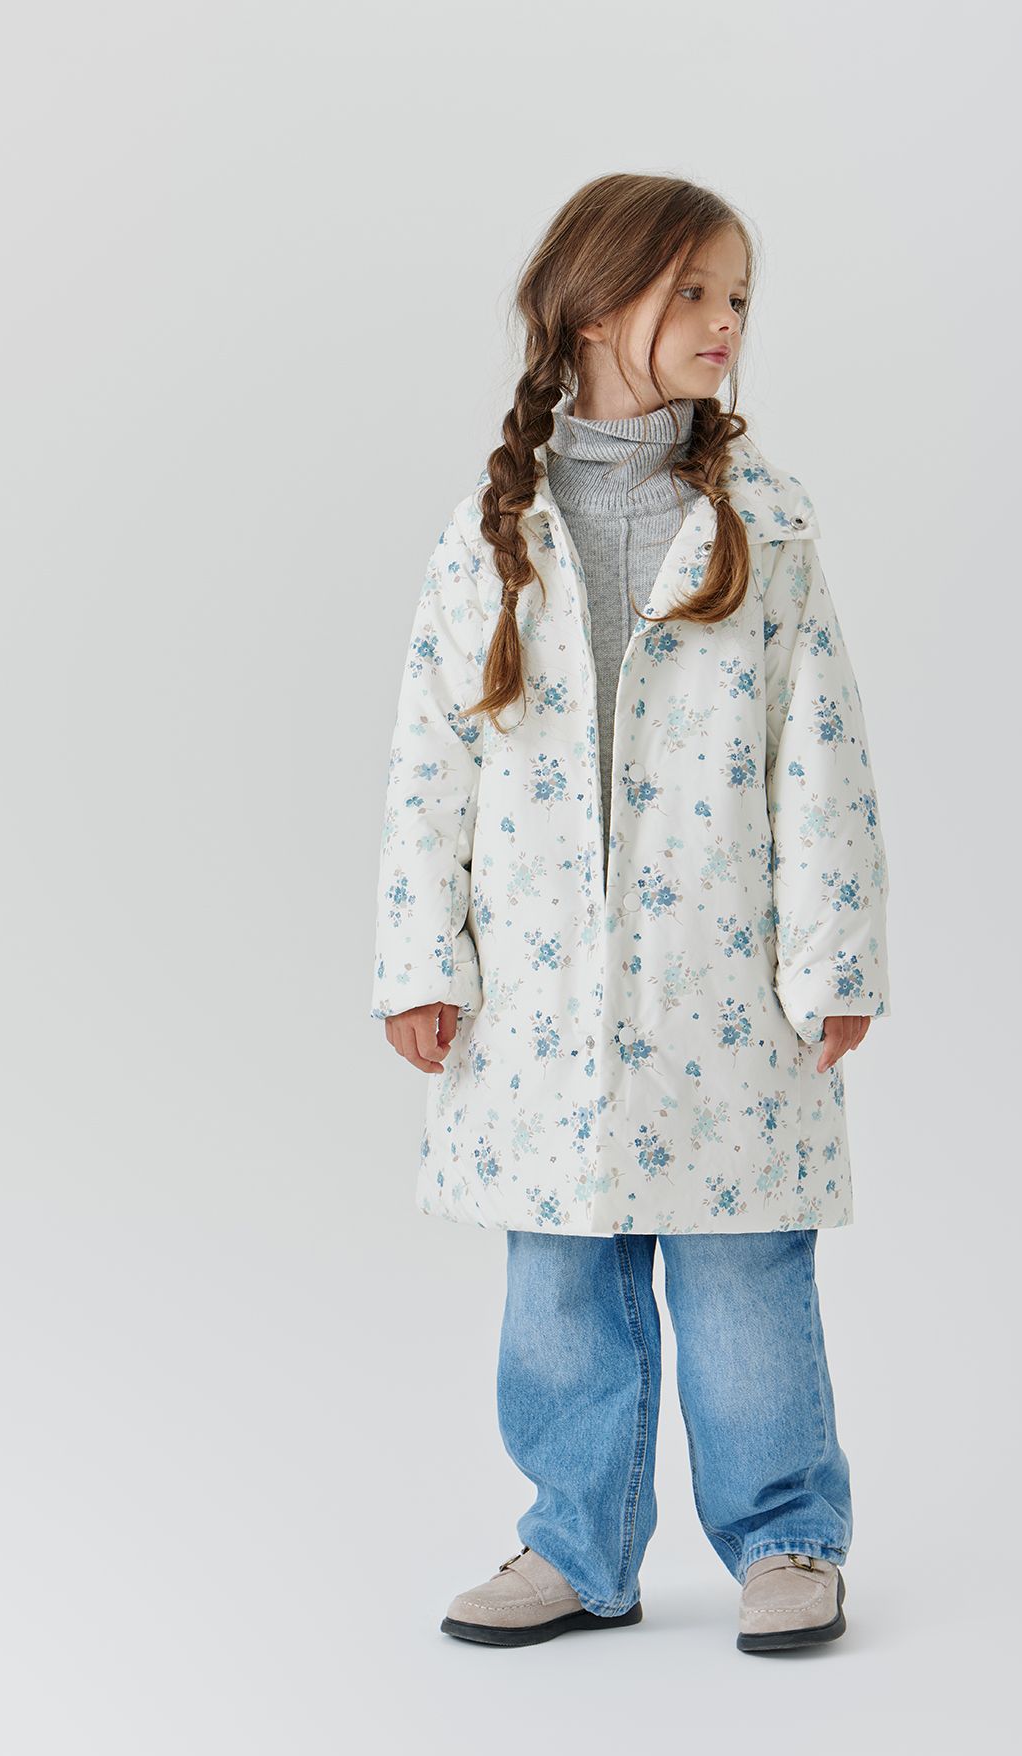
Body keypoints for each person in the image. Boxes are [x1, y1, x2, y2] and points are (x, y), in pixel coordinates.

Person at [370, 173, 892, 1655]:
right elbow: (430, 760)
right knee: (558, 1286)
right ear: (596, 309)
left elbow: (818, 750)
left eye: (738, 298)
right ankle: (575, 1543)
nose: (727, 323)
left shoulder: (763, 525)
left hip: (724, 982)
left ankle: (786, 1537)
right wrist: (421, 959)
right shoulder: (490, 533)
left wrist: (835, 957)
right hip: (539, 992)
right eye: (695, 294)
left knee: (743, 1278)